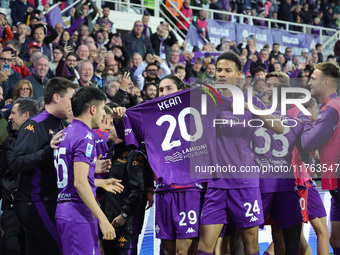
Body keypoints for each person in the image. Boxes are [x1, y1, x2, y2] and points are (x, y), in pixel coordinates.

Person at [197, 52, 283, 255]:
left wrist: (247, 107)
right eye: (219, 70)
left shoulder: (249, 102)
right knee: (205, 245)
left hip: (245, 182)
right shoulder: (205, 102)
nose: (222, 74)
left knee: (250, 244)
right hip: (216, 183)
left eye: (227, 70)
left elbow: (279, 128)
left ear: (238, 74)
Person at [9, 77, 78, 255]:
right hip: (36, 201)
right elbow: (16, 163)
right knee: (61, 249)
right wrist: (47, 150)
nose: (74, 103)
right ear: (56, 97)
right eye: (71, 98)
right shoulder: (34, 125)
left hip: (52, 199)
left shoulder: (62, 124)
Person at [53, 86, 123, 254]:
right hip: (77, 212)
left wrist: (98, 181)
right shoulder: (85, 136)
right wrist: (103, 220)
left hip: (69, 209)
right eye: (102, 109)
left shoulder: (65, 132)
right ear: (93, 109)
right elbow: (80, 183)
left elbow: (74, 177)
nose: (104, 115)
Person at [300, 62, 340, 255]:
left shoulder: (330, 109)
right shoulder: (334, 106)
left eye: (313, 79)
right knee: (335, 237)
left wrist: (306, 119)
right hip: (334, 184)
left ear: (325, 83)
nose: (309, 83)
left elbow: (308, 143)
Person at [103, 106, 154, 255]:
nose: (108, 127)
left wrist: (124, 215)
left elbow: (138, 190)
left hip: (126, 223)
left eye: (112, 124)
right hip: (108, 221)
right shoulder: (109, 152)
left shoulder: (134, 154)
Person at [0, 98, 39, 255]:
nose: (9, 117)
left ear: (25, 116)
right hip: (10, 207)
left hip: (32, 206)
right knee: (10, 248)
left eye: (13, 113)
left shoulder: (40, 139)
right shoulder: (7, 138)